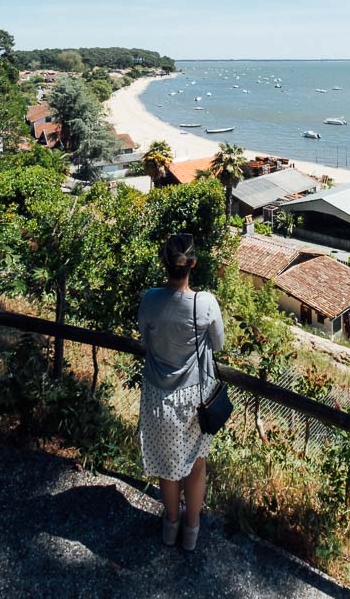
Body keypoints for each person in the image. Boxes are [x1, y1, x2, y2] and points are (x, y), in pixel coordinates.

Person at [137, 233, 225, 551]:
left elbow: (145, 339)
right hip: (194, 397)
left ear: (165, 263)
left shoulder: (150, 299)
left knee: (167, 465)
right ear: (193, 264)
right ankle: (191, 532)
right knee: (196, 462)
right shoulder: (205, 303)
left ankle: (170, 525)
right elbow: (219, 344)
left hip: (158, 396)